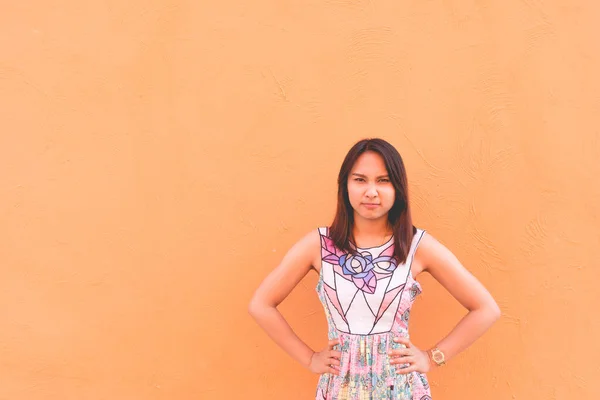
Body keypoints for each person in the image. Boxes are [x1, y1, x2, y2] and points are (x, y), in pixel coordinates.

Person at [248, 138, 501, 399]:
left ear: (398, 189)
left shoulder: (417, 246)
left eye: (383, 180)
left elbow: (486, 309)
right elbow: (261, 304)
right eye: (360, 180)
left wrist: (432, 357)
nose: (371, 192)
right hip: (339, 388)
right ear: (345, 186)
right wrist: (310, 359)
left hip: (400, 389)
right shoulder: (319, 245)